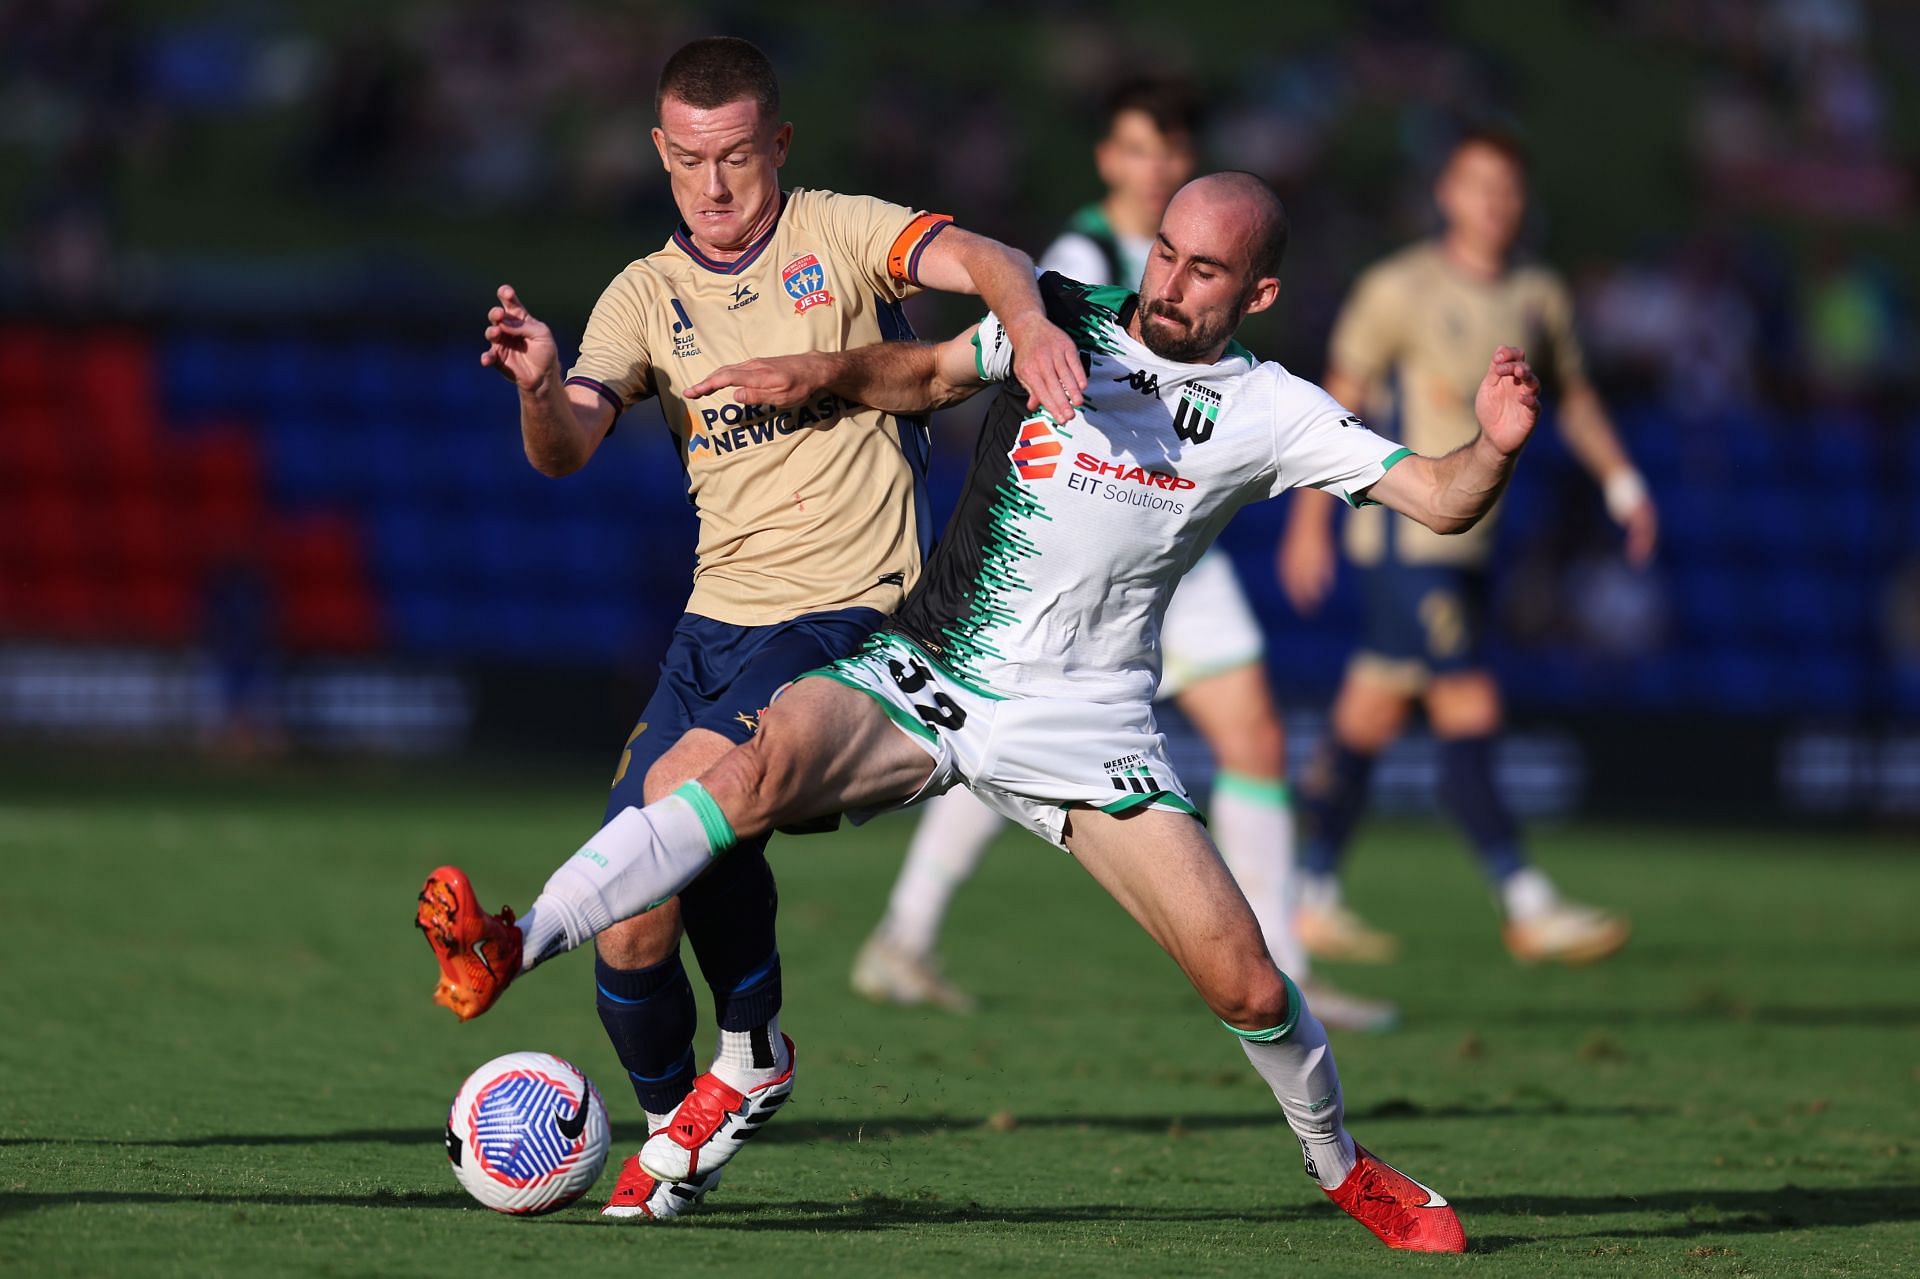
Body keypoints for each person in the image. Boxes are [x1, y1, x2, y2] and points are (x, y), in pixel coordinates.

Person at [418, 171, 1547, 1254]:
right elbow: (923, 375)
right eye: (1164, 251)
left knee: (1247, 983)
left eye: (1207, 271)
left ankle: (1343, 1164)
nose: (1170, 282)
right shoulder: (1064, 321)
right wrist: (820, 373)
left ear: (1256, 296)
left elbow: (1439, 499)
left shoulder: (1272, 409)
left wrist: (1491, 444)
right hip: (933, 672)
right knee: (742, 777)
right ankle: (515, 944)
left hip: (1088, 725)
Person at [450, 36, 1086, 1223]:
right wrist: (540, 388)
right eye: (690, 161)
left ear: (778, 145)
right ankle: (669, 1138)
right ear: (658, 153)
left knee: (688, 796)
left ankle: (749, 1045)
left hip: (851, 611)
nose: (715, 185)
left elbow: (993, 256)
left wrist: (1031, 323)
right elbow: (564, 452)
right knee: (635, 919)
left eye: (738, 156)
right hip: (712, 626)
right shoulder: (642, 295)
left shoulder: (839, 232)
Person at [851, 78, 1397, 1032]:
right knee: (1015, 731)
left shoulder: (1199, 264)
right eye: (1141, 151)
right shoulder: (1075, 262)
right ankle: (904, 931)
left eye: (1172, 152)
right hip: (1085, 547)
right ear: (1110, 160)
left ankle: (1281, 960)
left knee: (1249, 736)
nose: (1159, 169)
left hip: (1165, 548)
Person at [1279, 129, 1658, 965]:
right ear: (1447, 193)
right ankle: (1525, 900)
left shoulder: (1536, 292)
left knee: (1369, 714)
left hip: (1475, 543)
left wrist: (1623, 480)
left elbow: (1576, 399)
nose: (1494, 203)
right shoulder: (1397, 288)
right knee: (1467, 702)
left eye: (1508, 189)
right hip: (1407, 536)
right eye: (1478, 186)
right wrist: (1311, 524)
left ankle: (1308, 891)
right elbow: (1330, 407)